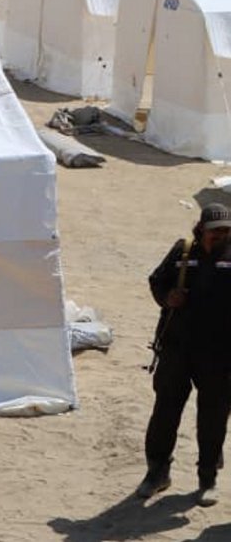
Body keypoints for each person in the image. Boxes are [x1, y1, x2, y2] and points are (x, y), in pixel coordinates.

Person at [136, 203, 231, 506]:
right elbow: (156, 280)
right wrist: (166, 297)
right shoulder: (183, 251)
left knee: (213, 416)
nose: (222, 236)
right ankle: (157, 473)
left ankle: (207, 479)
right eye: (216, 231)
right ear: (201, 228)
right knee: (165, 411)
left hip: (219, 354)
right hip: (177, 348)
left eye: (227, 230)